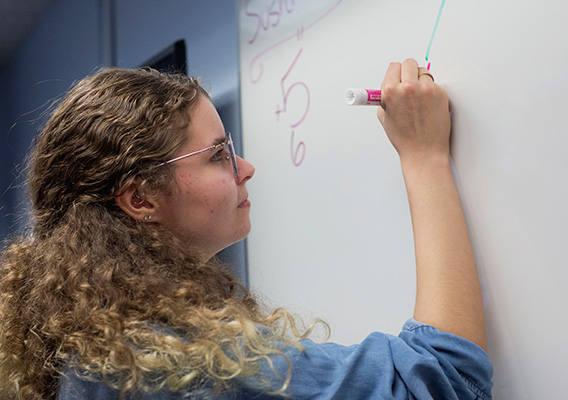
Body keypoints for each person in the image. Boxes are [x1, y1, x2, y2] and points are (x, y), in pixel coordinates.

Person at [0, 59, 493, 399]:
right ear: (141, 198)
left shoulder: (91, 339)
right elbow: (444, 381)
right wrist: (425, 158)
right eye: (218, 155)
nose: (246, 167)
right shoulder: (172, 359)